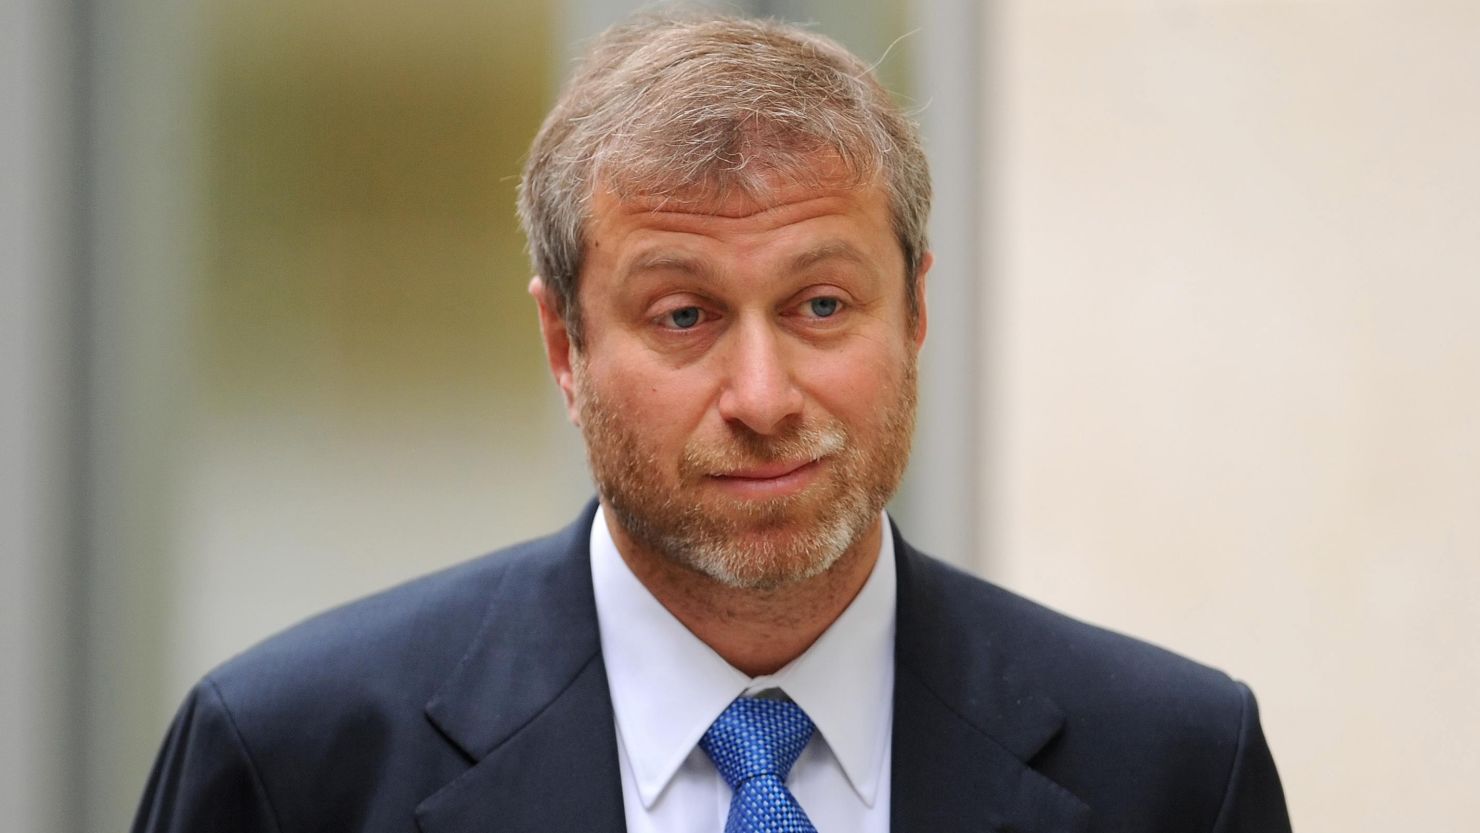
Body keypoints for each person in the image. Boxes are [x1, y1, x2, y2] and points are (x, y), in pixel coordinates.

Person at [133, 10, 1291, 833]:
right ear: (563, 346)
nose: (763, 395)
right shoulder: (294, 762)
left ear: (917, 312)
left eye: (821, 305)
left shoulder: (1172, 766)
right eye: (682, 315)